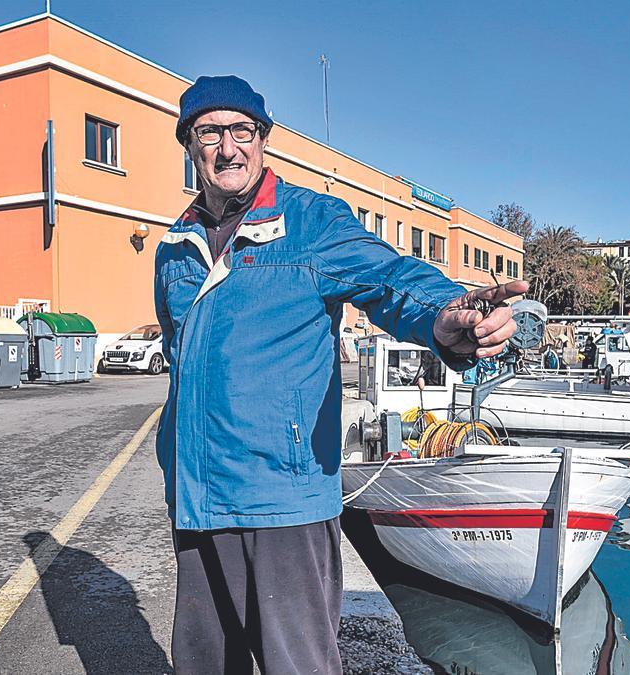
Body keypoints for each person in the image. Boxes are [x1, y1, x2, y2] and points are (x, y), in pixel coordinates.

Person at [154, 75, 528, 674]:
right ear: (189, 146)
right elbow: (181, 358)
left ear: (264, 139)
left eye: (242, 131)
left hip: (284, 500)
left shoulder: (312, 222)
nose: (228, 148)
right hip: (199, 500)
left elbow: (392, 281)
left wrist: (445, 317)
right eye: (209, 133)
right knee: (202, 666)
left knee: (297, 666)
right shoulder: (175, 247)